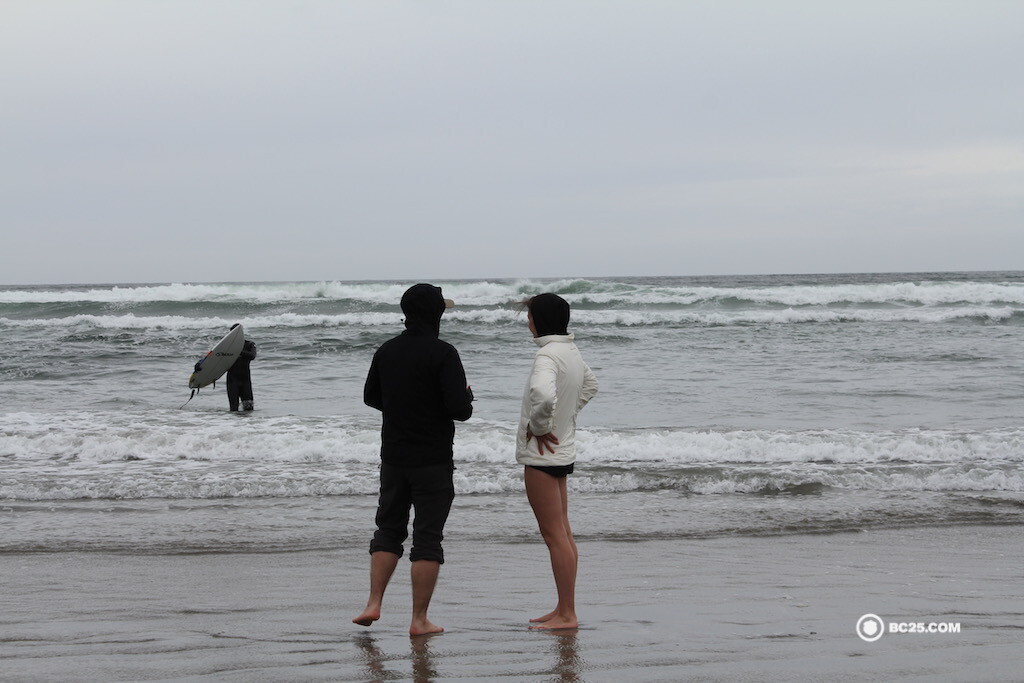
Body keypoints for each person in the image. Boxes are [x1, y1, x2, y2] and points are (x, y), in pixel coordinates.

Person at [353, 283, 474, 636]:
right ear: (436, 314)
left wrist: (402, 406)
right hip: (432, 460)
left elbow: (370, 397)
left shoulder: (387, 350)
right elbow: (459, 410)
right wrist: (466, 399)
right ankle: (419, 620)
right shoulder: (444, 353)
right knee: (427, 538)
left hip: (393, 456)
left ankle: (373, 602)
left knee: (388, 530)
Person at [516, 293, 598, 630]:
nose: (527, 322)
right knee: (563, 532)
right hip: (562, 451)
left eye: (530, 316)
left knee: (555, 536)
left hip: (542, 455)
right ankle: (564, 608)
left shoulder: (547, 355)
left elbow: (544, 394)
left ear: (540, 319)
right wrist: (565, 420)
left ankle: (567, 614)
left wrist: (541, 427)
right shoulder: (570, 351)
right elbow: (591, 385)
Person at [225, 324, 257, 411]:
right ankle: (233, 424)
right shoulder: (226, 347)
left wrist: (237, 350)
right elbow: (214, 358)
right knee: (233, 408)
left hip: (245, 380)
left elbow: (252, 356)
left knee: (249, 408)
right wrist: (200, 364)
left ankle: (247, 425)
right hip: (232, 381)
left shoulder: (249, 344)